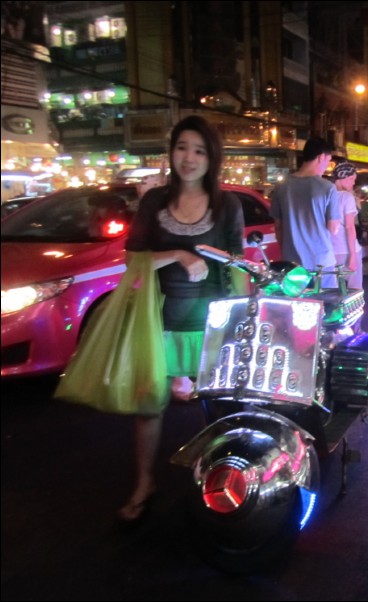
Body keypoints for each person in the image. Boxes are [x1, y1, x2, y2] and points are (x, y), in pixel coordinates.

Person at [122, 115, 249, 523]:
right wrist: (179, 254)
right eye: (182, 148)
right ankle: (144, 482)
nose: (189, 158)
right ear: (171, 152)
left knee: (219, 406)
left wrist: (239, 317)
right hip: (160, 318)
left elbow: (237, 261)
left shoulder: (227, 204)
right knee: (149, 406)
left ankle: (224, 480)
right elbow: (133, 260)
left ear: (212, 157)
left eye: (199, 150)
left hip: (212, 319)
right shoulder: (154, 202)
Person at [271, 137, 341, 288]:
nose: (326, 167)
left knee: (299, 307)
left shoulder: (281, 187)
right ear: (321, 157)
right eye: (327, 161)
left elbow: (278, 228)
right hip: (321, 263)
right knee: (327, 307)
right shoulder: (327, 187)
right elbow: (333, 228)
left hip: (292, 264)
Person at [330, 162, 362, 289]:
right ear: (342, 178)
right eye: (351, 179)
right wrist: (353, 255)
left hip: (331, 252)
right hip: (347, 251)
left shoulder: (325, 195)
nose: (353, 183)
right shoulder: (347, 197)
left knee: (332, 291)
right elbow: (350, 227)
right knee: (354, 291)